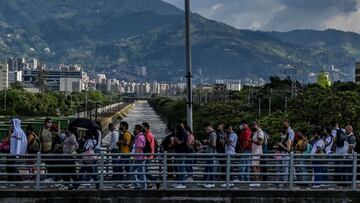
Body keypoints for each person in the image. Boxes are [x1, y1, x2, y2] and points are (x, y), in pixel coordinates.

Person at [7, 118, 28, 186]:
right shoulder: (20, 131)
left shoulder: (16, 132)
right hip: (14, 153)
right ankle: (19, 179)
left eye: (12, 124)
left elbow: (11, 141)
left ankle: (12, 182)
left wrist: (9, 131)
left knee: (12, 167)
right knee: (11, 166)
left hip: (13, 153)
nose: (11, 125)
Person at [129, 125, 147, 189]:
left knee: (140, 172)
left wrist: (134, 156)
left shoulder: (140, 137)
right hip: (138, 157)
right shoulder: (140, 136)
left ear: (138, 130)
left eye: (135, 129)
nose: (134, 130)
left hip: (139, 158)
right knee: (134, 171)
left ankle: (143, 186)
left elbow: (139, 149)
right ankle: (137, 185)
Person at [172, 123, 188, 189]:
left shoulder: (183, 132)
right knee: (177, 167)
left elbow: (179, 142)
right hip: (177, 151)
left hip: (181, 152)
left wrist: (175, 138)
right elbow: (174, 143)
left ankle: (182, 183)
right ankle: (179, 182)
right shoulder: (180, 132)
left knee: (181, 167)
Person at [116, 121, 132, 187]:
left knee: (119, 166)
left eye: (121, 125)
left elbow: (127, 143)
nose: (120, 126)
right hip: (125, 153)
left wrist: (120, 142)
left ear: (124, 126)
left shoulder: (127, 134)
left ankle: (122, 181)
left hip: (126, 153)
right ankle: (127, 182)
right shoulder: (123, 133)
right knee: (127, 168)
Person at [202, 122, 217, 188]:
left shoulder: (213, 134)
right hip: (209, 153)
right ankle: (206, 181)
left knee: (211, 168)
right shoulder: (211, 133)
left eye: (205, 129)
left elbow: (214, 144)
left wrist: (207, 141)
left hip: (211, 153)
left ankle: (212, 182)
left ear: (208, 126)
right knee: (207, 168)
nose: (205, 130)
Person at [249, 121, 264, 187]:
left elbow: (260, 142)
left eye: (253, 125)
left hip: (257, 152)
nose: (252, 127)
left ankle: (256, 181)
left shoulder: (260, 132)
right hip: (255, 151)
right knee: (257, 166)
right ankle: (258, 181)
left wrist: (252, 141)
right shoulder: (256, 132)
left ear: (257, 125)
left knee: (254, 166)